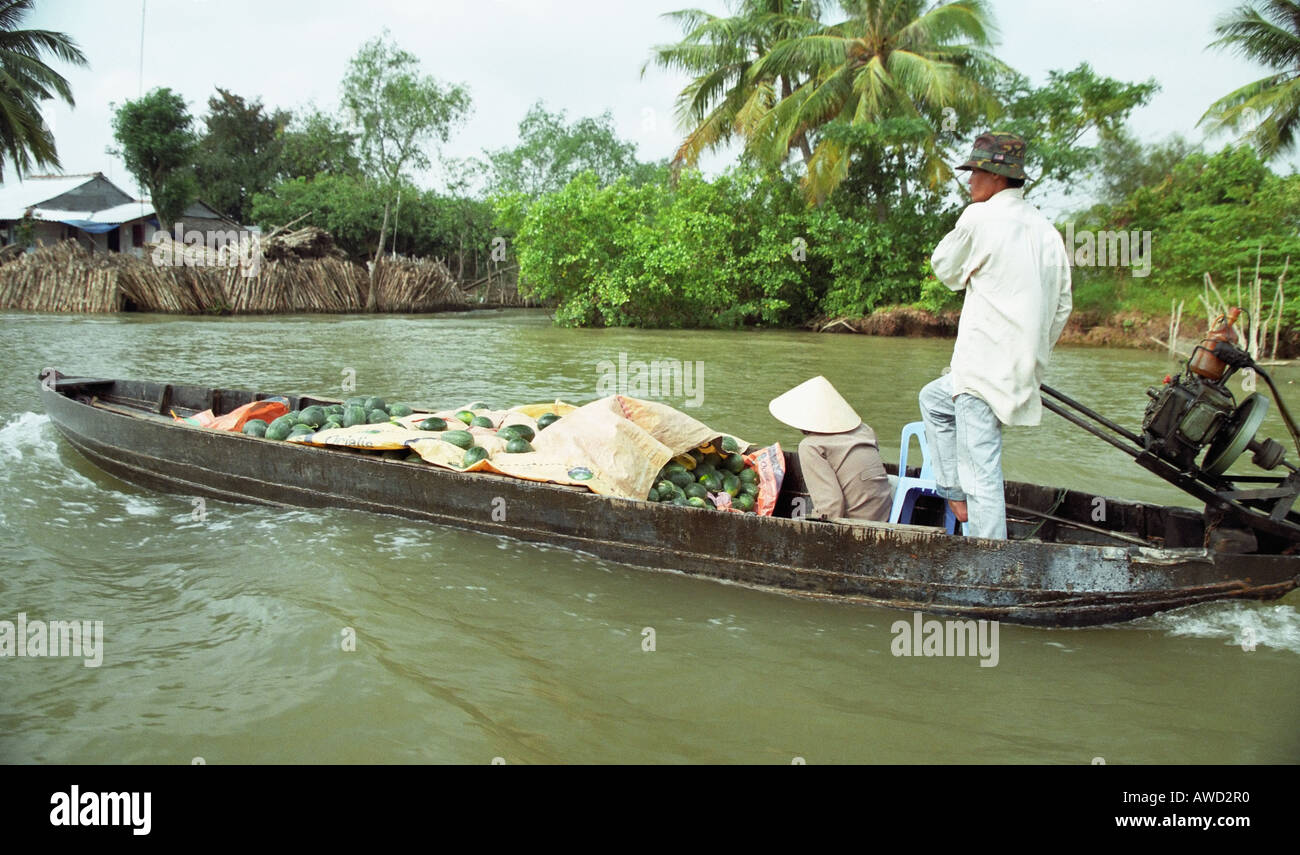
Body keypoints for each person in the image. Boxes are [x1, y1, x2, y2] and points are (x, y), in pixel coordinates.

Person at [919, 132, 1072, 540]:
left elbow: (946, 269)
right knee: (933, 399)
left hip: (981, 371)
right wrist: (1032, 352)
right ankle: (953, 494)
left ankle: (989, 563)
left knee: (981, 471)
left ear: (998, 178)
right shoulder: (1047, 231)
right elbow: (1062, 308)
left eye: (976, 173)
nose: (970, 182)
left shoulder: (980, 218)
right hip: (1019, 370)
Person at [769, 376, 892, 521]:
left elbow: (831, 507)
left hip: (856, 525)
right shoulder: (865, 430)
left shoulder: (811, 447)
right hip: (885, 516)